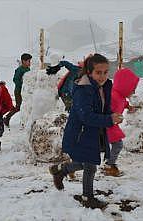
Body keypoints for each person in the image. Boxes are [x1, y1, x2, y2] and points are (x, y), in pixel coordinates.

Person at [48, 54, 123, 209]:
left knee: (84, 163)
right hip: (80, 133)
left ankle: (60, 170)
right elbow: (86, 116)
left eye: (105, 72)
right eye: (98, 72)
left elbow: (103, 107)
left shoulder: (105, 86)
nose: (102, 76)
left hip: (93, 132)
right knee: (90, 165)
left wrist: (112, 115)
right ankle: (87, 197)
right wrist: (109, 119)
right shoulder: (83, 89)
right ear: (89, 72)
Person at [104, 68, 139, 177]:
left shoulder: (120, 96)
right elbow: (105, 109)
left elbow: (123, 103)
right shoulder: (113, 96)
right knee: (118, 145)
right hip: (107, 125)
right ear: (124, 86)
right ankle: (110, 165)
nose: (133, 92)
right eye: (132, 89)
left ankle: (108, 162)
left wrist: (128, 106)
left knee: (111, 145)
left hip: (112, 125)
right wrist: (112, 117)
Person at [4, 53, 32, 127]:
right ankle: (7, 118)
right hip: (18, 91)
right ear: (23, 61)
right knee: (18, 107)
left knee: (24, 107)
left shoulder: (28, 69)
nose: (30, 62)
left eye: (30, 61)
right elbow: (15, 80)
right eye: (28, 61)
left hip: (25, 92)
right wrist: (23, 84)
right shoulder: (19, 70)